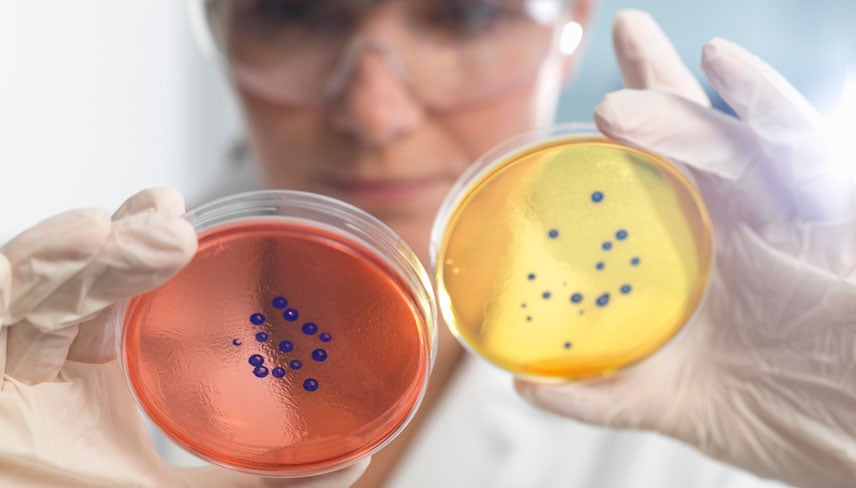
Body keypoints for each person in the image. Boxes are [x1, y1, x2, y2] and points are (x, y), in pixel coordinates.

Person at [0, 1, 853, 487]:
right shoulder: (47, 368)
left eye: (466, 14)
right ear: (218, 27)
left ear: (572, 24)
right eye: (295, 12)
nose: (376, 111)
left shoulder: (699, 402)